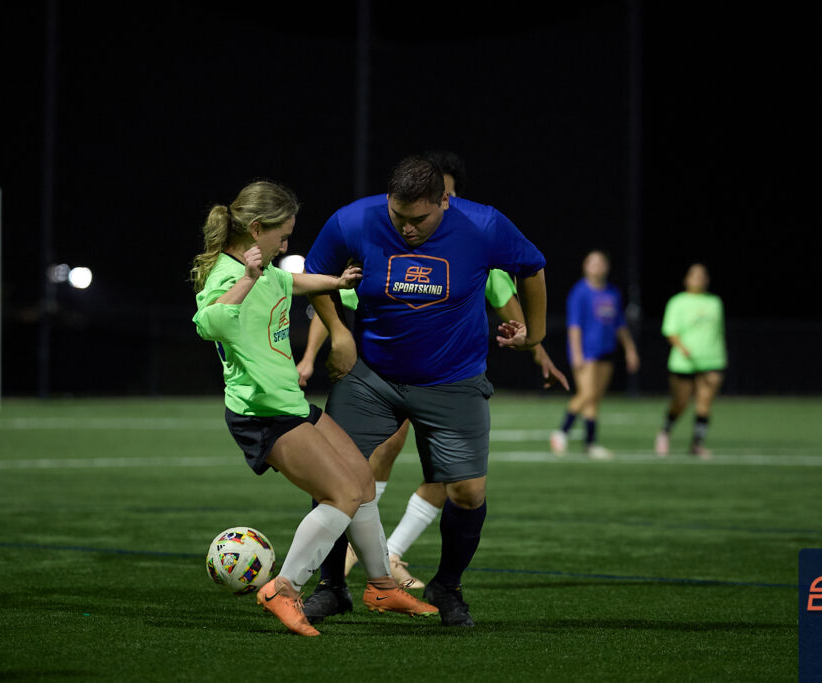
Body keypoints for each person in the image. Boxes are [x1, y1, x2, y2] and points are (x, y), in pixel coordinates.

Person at [295, 151, 566, 590]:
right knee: (335, 474)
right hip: (373, 378)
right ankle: (332, 587)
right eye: (399, 216)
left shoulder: (482, 225)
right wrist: (339, 334)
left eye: (418, 219)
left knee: (467, 492)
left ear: (444, 201)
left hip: (452, 381)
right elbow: (316, 273)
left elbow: (532, 266)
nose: (407, 228)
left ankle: (447, 587)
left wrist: (535, 337)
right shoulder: (354, 220)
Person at [190, 180, 437, 636]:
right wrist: (247, 279)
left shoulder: (266, 270)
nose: (286, 245)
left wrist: (336, 282)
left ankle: (381, 585)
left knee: (362, 482)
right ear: (256, 228)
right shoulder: (230, 274)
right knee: (342, 495)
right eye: (282, 236)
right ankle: (283, 588)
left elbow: (292, 281)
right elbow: (209, 324)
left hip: (290, 404)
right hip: (261, 414)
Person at [550, 250, 640, 459]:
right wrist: (577, 354)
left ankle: (590, 443)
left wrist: (630, 350)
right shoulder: (580, 292)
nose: (597, 266)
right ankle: (561, 433)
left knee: (595, 398)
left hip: (607, 350)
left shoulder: (612, 293)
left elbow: (620, 325)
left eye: (601, 262)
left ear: (607, 266)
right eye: (592, 262)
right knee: (587, 393)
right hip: (587, 352)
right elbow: (574, 326)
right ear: (585, 266)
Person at [654, 262, 727, 459]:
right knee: (681, 402)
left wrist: (720, 358)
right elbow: (670, 331)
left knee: (704, 404)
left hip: (712, 361)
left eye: (702, 275)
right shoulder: (677, 302)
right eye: (695, 275)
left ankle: (697, 444)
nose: (699, 279)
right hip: (684, 362)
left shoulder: (715, 302)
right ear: (687, 279)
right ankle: (665, 432)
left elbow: (719, 332)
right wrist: (683, 348)